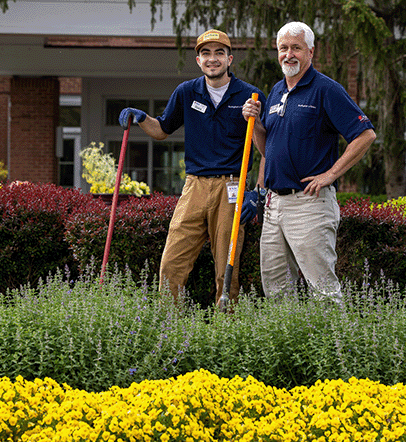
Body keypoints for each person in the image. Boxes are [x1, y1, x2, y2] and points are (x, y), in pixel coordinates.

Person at [118, 29, 266, 304]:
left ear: (229, 59)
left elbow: (268, 148)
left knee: (227, 269)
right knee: (172, 263)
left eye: (219, 53)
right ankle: (169, 328)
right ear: (198, 61)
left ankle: (227, 330)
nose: (213, 59)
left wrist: (257, 193)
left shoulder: (250, 96)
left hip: (231, 187)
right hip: (194, 185)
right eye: (206, 54)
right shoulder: (187, 92)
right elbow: (162, 129)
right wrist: (140, 118)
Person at [241, 21, 376, 303]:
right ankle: (289, 348)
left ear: (311, 52)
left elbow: (365, 134)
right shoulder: (277, 91)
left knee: (323, 290)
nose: (288, 54)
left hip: (309, 203)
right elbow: (269, 149)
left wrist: (330, 174)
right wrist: (254, 124)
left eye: (296, 48)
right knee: (277, 291)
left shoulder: (326, 89)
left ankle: (335, 347)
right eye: (283, 48)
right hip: (274, 205)